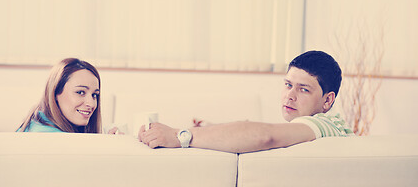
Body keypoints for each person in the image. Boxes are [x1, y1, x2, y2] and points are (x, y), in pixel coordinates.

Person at [138, 50, 354, 153]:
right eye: (288, 85)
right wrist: (213, 129)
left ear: (328, 100)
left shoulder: (324, 124)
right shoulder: (321, 128)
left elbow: (263, 136)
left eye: (303, 89)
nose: (290, 95)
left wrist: (178, 136)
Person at [17, 58, 120, 134]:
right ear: (55, 93)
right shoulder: (47, 136)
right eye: (80, 92)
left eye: (94, 95)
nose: (91, 103)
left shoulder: (39, 121)